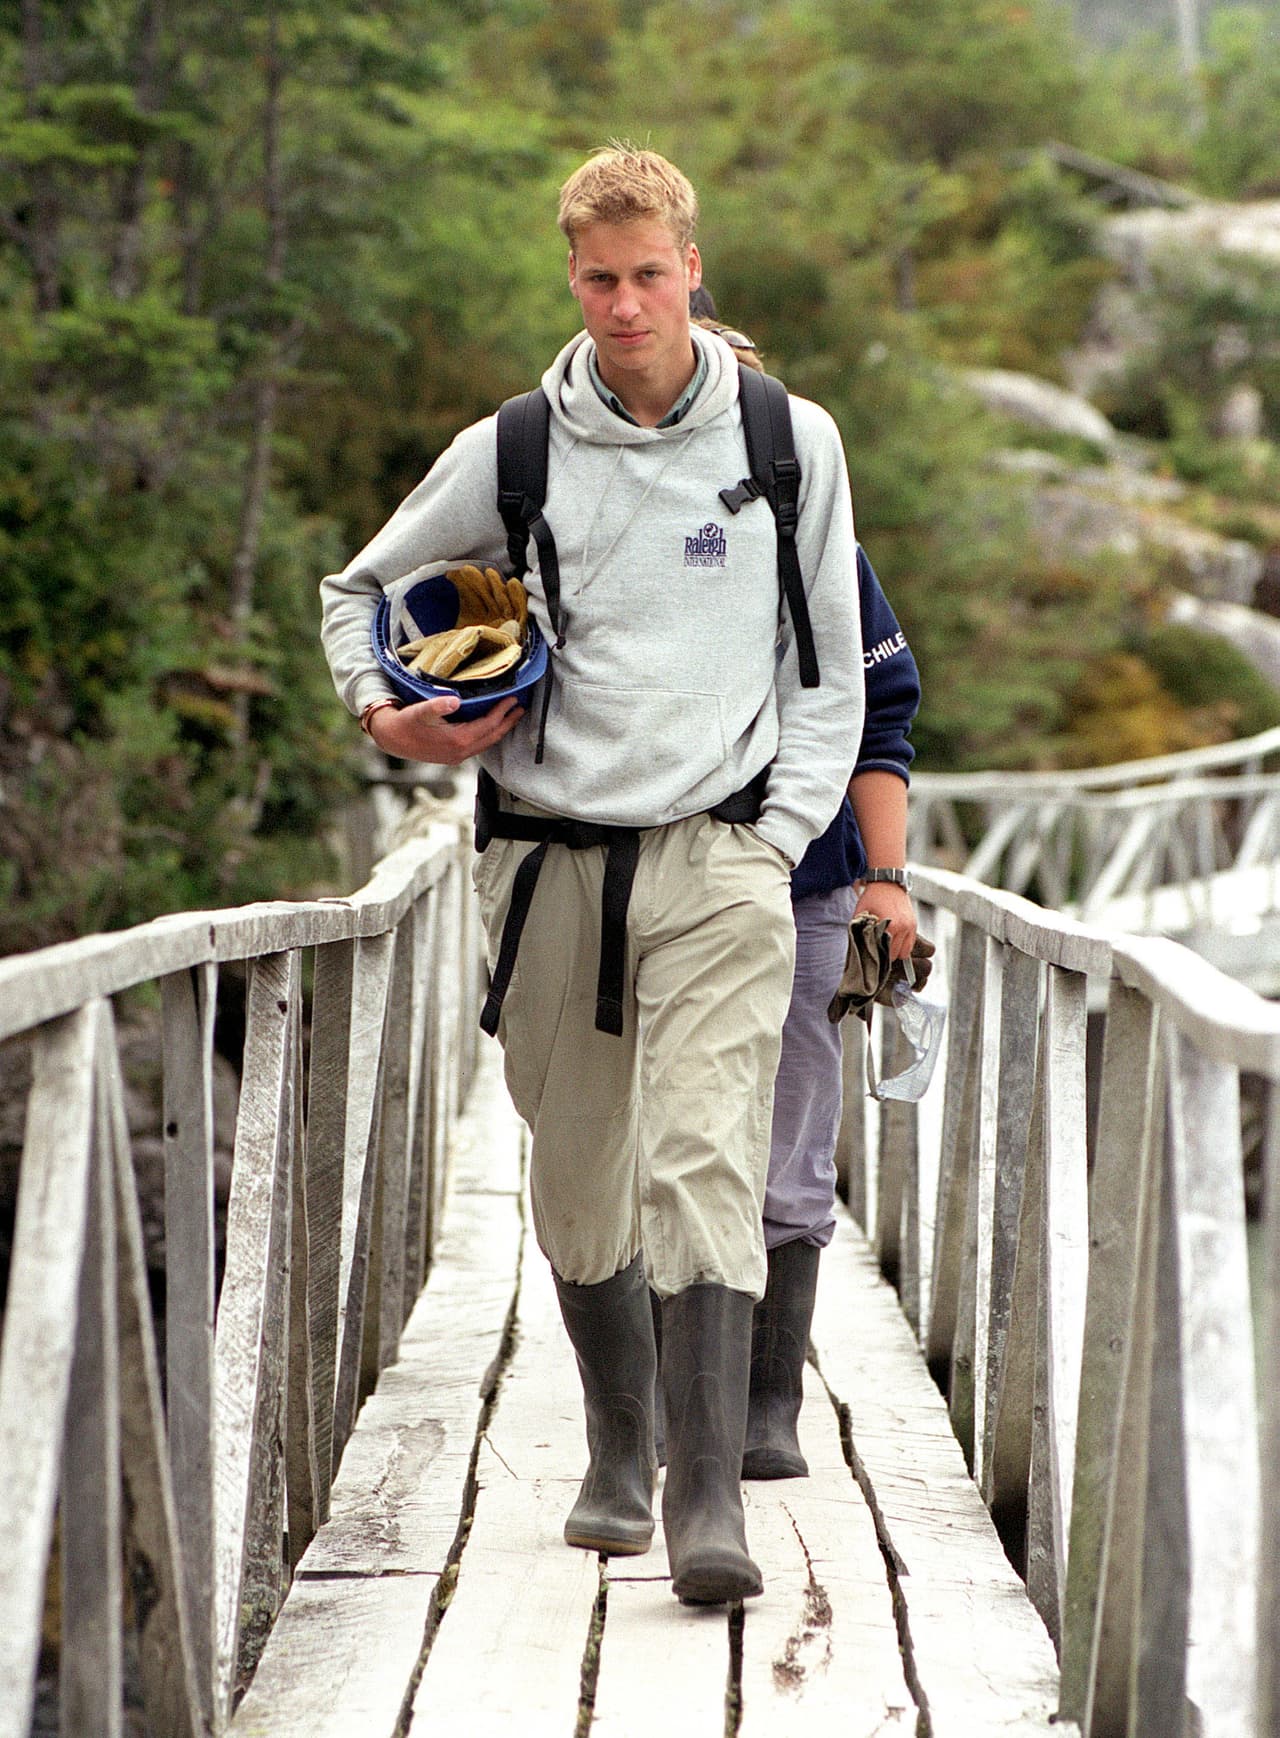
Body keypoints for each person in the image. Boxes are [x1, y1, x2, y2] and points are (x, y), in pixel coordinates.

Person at [319, 145, 864, 1605]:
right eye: (598, 277)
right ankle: (617, 1443)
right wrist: (389, 711)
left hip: (722, 854)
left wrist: (776, 829)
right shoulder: (515, 448)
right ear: (573, 273)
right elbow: (357, 591)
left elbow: (833, 667)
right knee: (575, 1169)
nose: (625, 304)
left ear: (694, 266)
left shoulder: (787, 438)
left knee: (706, 1155)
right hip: (548, 860)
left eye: (649, 274)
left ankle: (705, 1498)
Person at [664, 307, 920, 1483]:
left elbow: (883, 718)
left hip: (809, 881)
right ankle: (679, 1403)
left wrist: (885, 881)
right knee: (653, 1140)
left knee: (790, 1137)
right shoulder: (618, 535)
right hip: (644, 878)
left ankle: (769, 1405)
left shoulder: (830, 551)